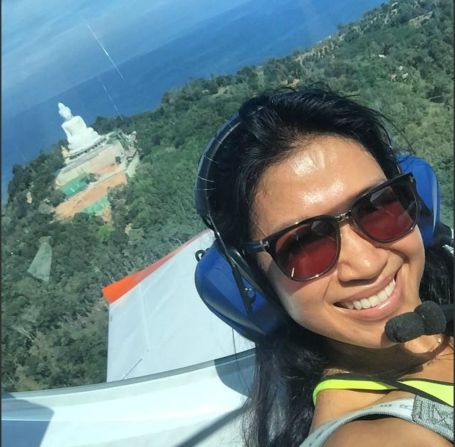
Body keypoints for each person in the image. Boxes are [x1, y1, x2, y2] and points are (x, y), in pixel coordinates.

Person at [195, 87, 453, 446]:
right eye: (304, 243)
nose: (366, 263)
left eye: (378, 206)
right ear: (256, 282)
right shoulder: (368, 435)